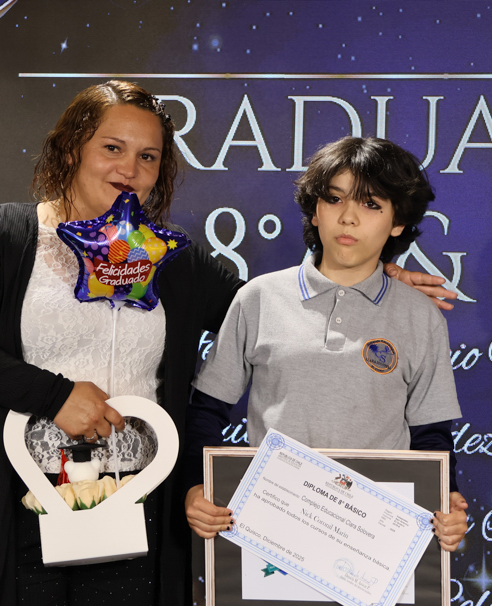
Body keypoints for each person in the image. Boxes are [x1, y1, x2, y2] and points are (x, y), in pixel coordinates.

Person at [0, 82, 458, 606]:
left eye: (148, 156)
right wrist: (55, 396)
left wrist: (375, 280)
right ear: (71, 149)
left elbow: (276, 314)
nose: (129, 168)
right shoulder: (6, 236)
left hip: (141, 505)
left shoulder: (172, 259)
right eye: (112, 148)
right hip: (20, 497)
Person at [184, 136, 469, 552]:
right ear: (315, 211)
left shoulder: (420, 315)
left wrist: (446, 497)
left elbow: (431, 435)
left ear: (398, 221)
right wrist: (197, 485)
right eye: (334, 199)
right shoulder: (259, 297)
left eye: (371, 204)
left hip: (374, 538)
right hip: (270, 526)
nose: (348, 218)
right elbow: (207, 409)